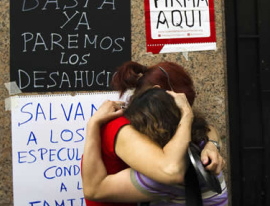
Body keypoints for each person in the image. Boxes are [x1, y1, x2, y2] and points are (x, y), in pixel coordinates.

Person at [82, 61, 225, 206]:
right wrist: (188, 116)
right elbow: (171, 168)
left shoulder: (160, 172)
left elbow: (207, 128)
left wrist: (212, 143)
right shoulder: (124, 129)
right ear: (159, 93)